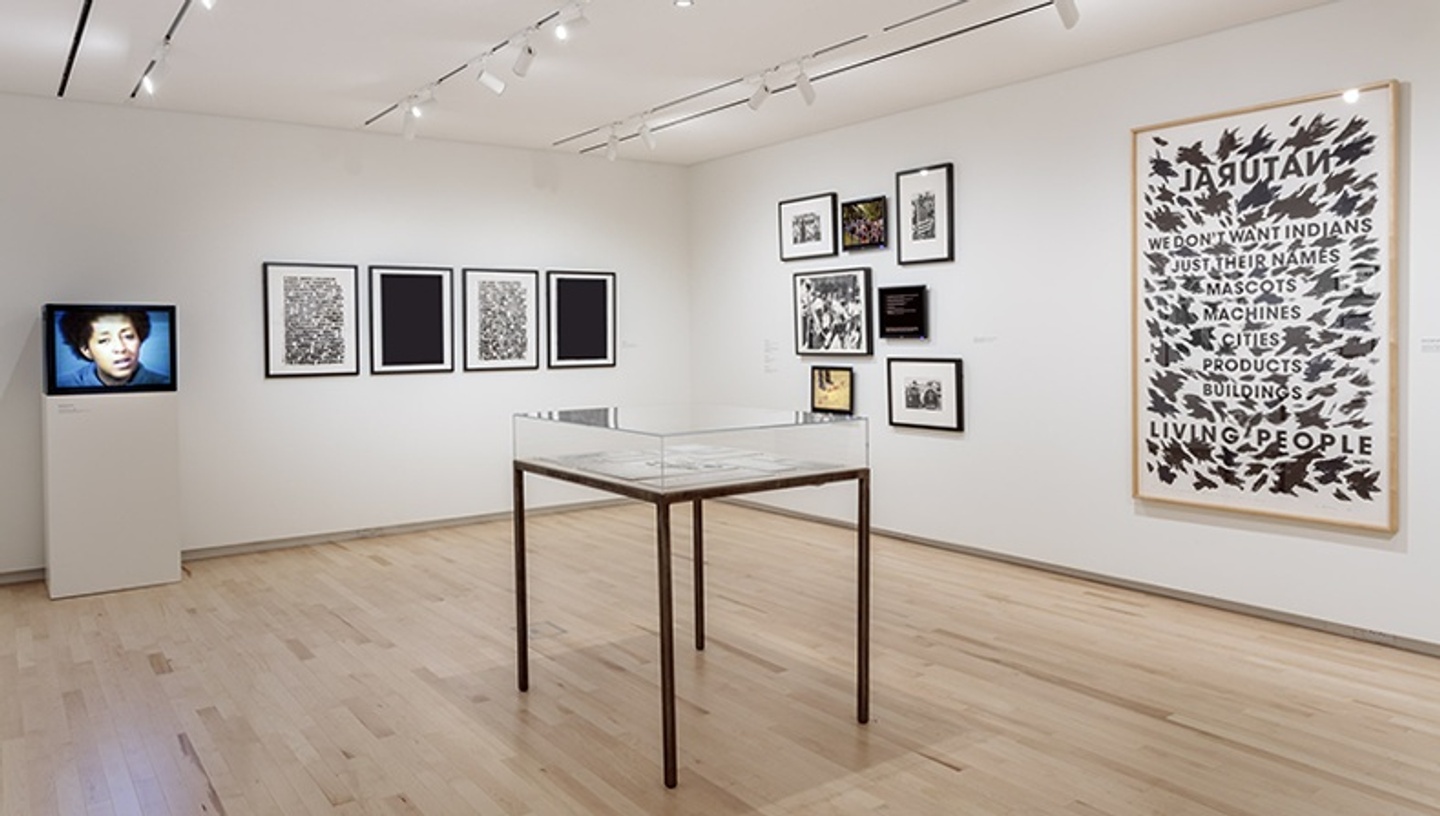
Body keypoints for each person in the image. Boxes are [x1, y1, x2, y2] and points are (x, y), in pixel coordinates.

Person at [56, 309, 168, 388]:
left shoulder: (164, 383)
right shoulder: (64, 385)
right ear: (86, 350)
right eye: (104, 340)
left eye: (128, 336)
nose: (120, 348)